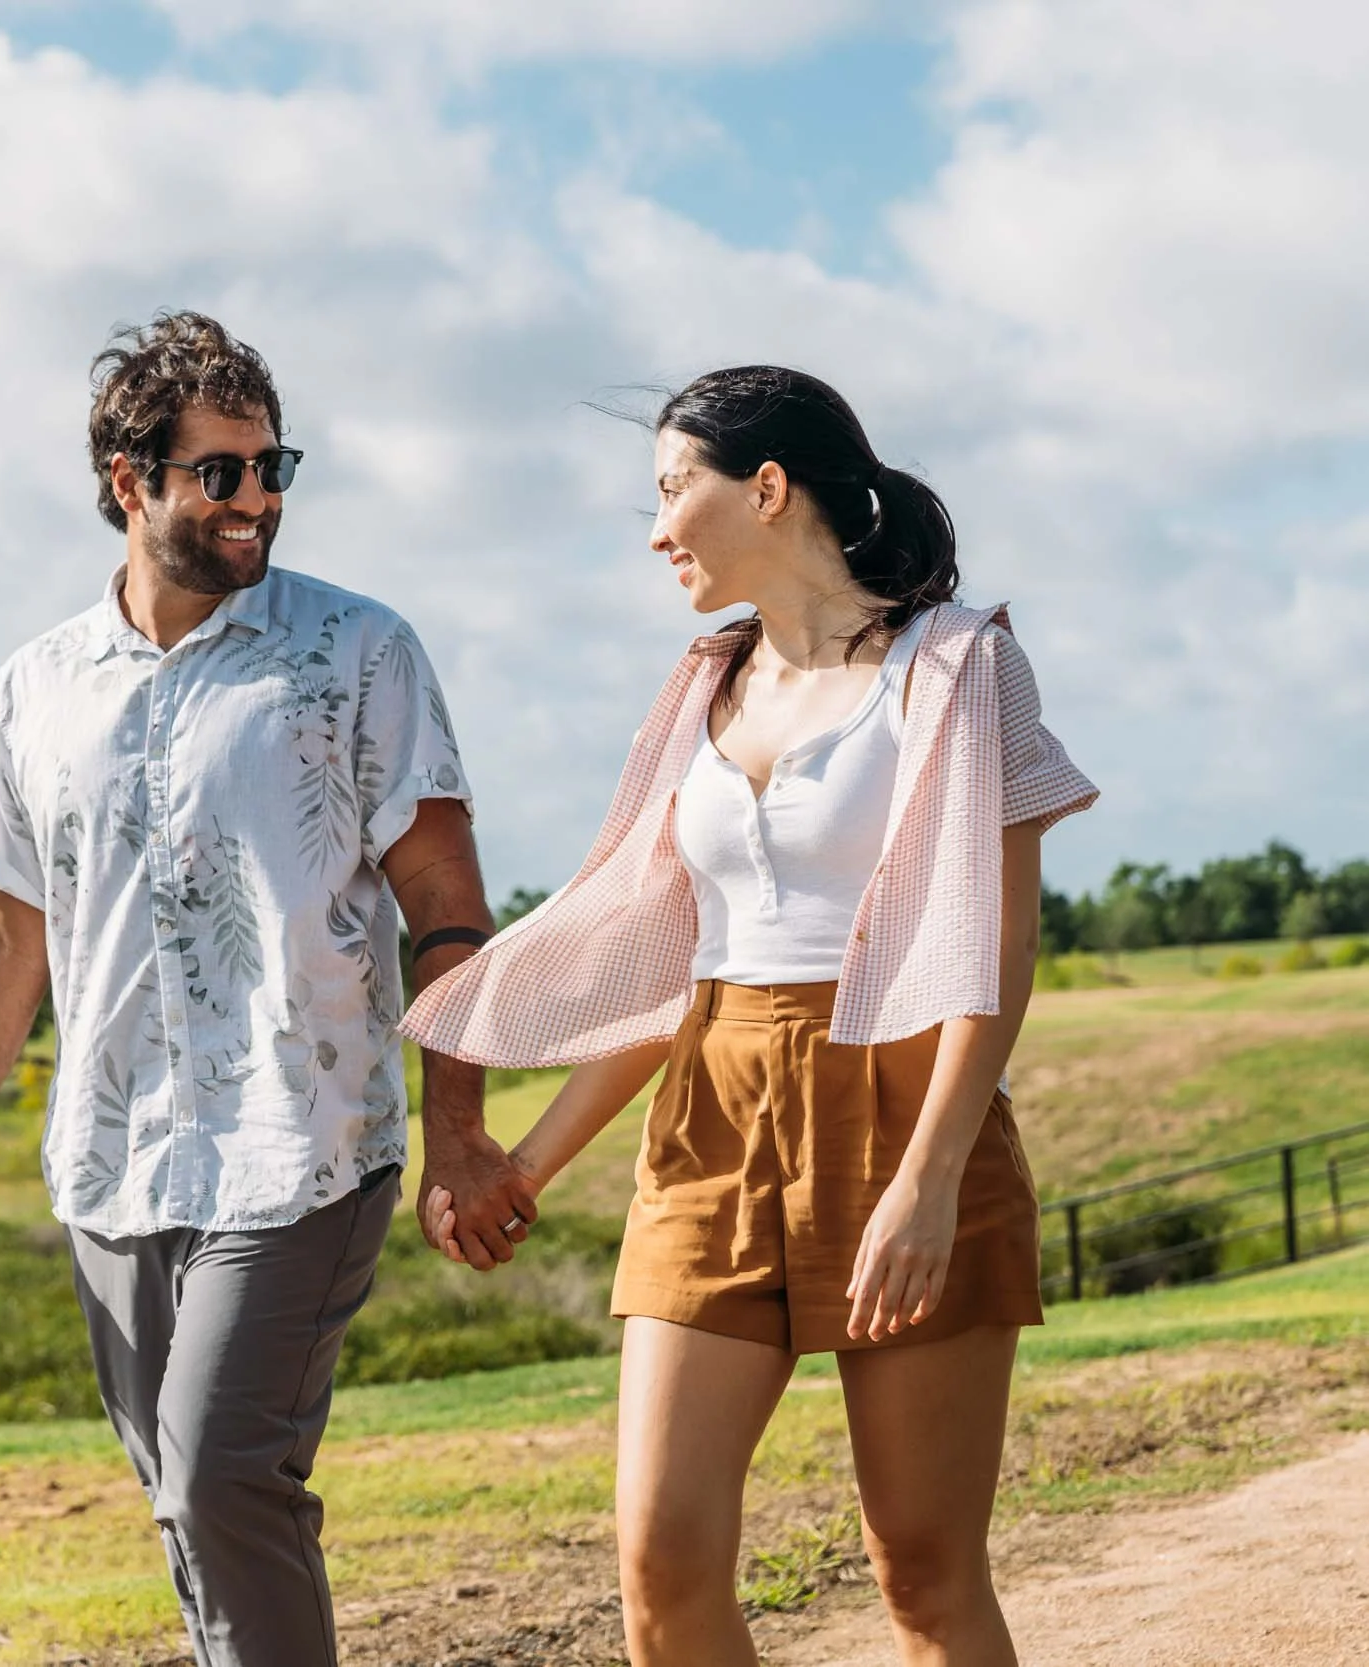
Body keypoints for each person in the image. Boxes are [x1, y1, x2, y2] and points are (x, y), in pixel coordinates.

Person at [405, 366, 1096, 1667]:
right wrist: (528, 1163)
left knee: (924, 1571)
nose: (659, 529)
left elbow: (997, 950)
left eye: (675, 491)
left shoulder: (959, 668)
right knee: (661, 1559)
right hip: (711, 1117)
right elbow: (675, 968)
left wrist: (931, 1179)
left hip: (901, 1107)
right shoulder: (702, 686)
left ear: (767, 487)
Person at [0, 310, 517, 1667]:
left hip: (307, 1144)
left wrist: (458, 1130)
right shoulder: (35, 689)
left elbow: (452, 910)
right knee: (188, 1507)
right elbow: (6, 942)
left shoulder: (357, 652)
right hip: (112, 1163)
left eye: (274, 465)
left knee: (220, 1477)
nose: (259, 498)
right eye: (221, 471)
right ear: (133, 481)